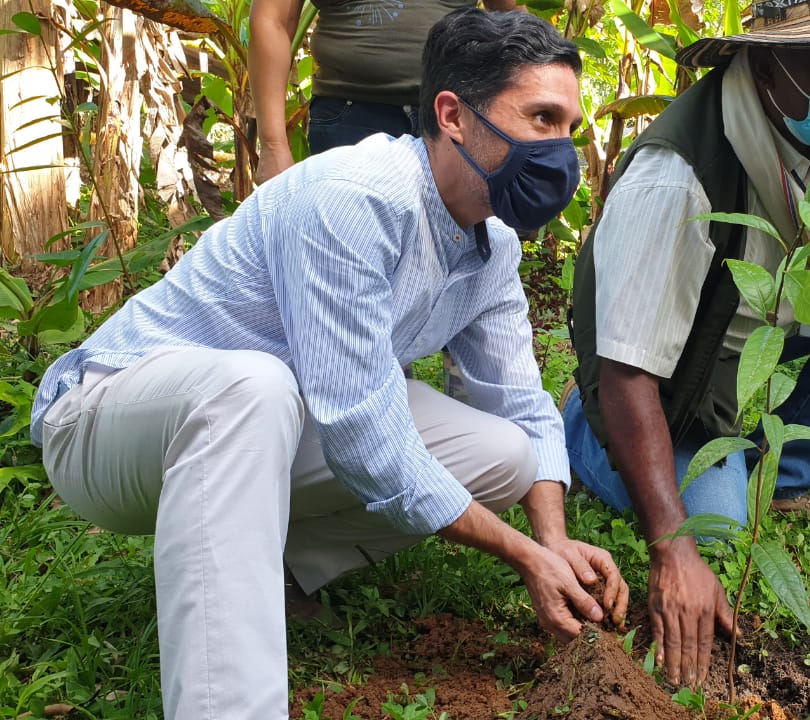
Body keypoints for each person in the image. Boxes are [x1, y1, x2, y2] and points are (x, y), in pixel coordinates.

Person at [31, 10, 626, 719]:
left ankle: (270, 565)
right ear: (454, 115)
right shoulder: (355, 199)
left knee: (504, 454)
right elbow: (366, 440)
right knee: (253, 385)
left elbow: (520, 405)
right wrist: (522, 556)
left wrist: (553, 539)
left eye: (568, 127)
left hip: (263, 419)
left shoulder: (490, 243)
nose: (559, 149)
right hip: (105, 422)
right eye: (540, 118)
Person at [561, 0, 810, 689]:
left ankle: (783, 475)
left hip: (759, 334)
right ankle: (579, 433)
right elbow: (627, 375)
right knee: (712, 534)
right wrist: (672, 549)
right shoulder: (677, 177)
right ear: (762, 61)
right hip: (659, 389)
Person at [250, 0, 515, 182]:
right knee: (346, 246)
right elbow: (272, 21)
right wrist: (273, 146)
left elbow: (510, 19)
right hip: (350, 114)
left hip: (455, 117)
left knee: (449, 248)